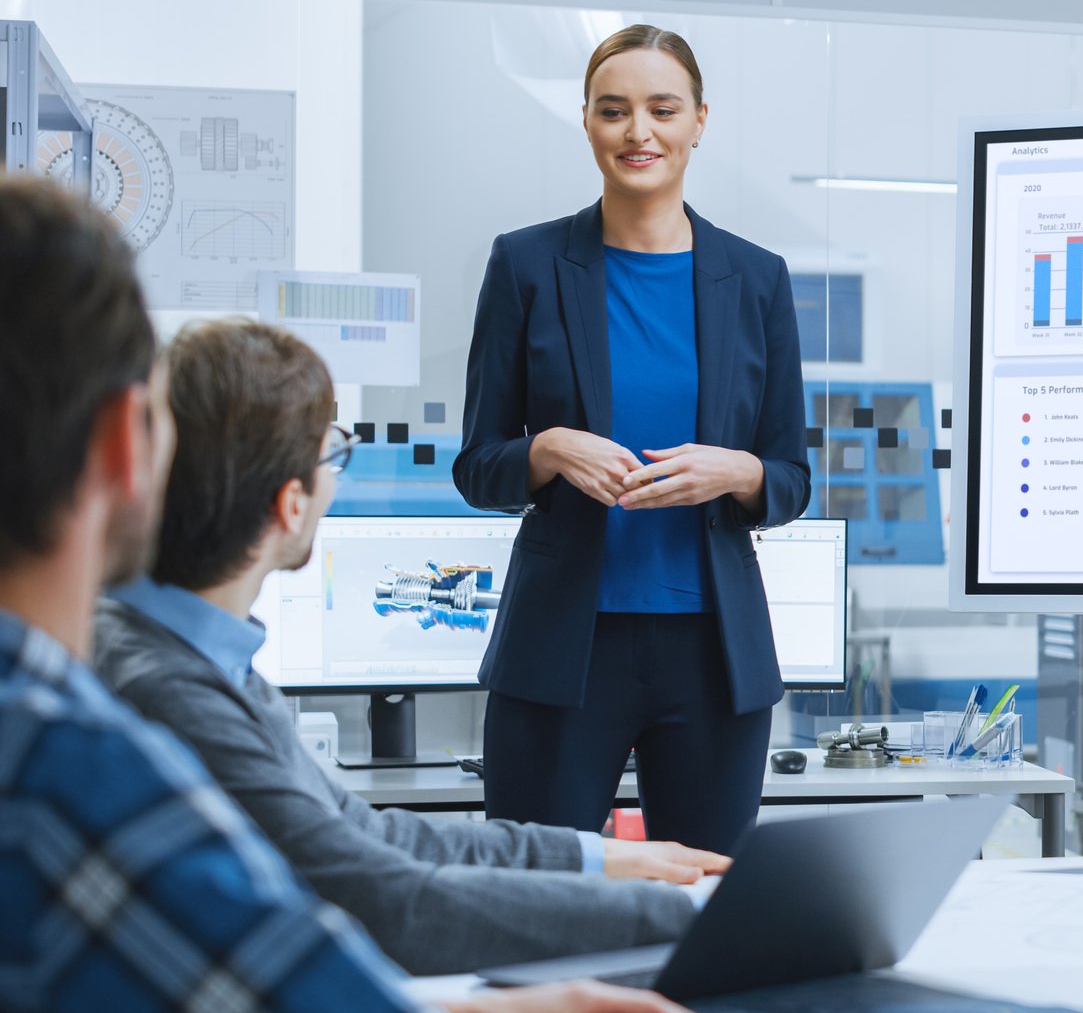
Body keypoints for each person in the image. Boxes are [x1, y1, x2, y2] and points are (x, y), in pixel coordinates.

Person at [0, 177, 716, 1013]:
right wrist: (686, 948)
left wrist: (604, 879)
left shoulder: (128, 709)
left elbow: (361, 859)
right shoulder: (79, 780)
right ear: (128, 449)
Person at [93, 318, 733, 976]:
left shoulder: (202, 662)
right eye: (333, 454)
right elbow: (386, 903)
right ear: (290, 505)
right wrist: (702, 920)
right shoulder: (166, 691)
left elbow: (369, 836)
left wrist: (601, 858)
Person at [455, 23, 810, 854]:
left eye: (661, 109)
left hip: (712, 657)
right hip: (561, 651)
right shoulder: (528, 265)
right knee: (531, 898)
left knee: (707, 903)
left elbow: (791, 479)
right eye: (614, 111)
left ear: (698, 121)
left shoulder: (755, 278)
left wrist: (739, 470)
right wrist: (546, 450)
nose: (638, 132)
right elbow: (479, 465)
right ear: (586, 122)